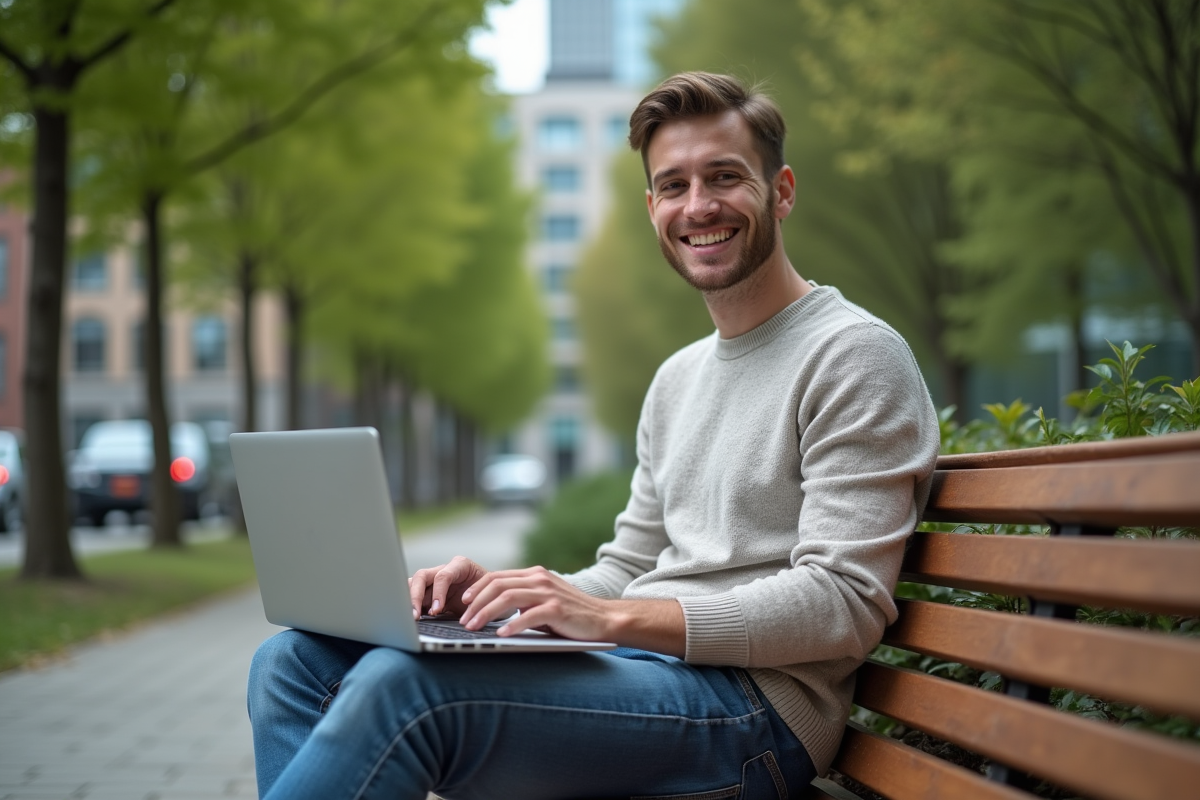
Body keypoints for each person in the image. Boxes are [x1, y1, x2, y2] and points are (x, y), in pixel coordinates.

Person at [247, 71, 941, 800]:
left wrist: (614, 617)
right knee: (294, 662)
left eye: (725, 177)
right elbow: (629, 568)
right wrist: (495, 602)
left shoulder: (853, 353)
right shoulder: (678, 377)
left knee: (403, 687)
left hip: (753, 716)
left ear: (783, 191)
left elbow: (843, 602)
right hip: (650, 678)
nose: (698, 205)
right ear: (652, 208)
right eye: (673, 186)